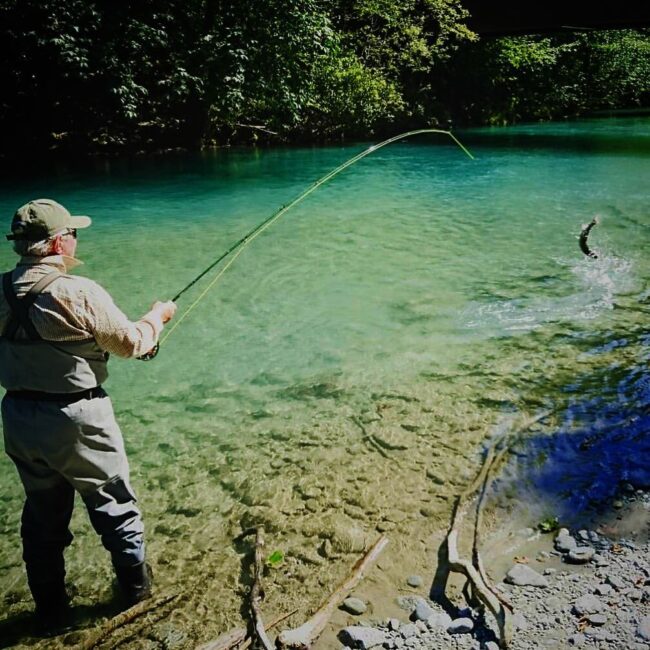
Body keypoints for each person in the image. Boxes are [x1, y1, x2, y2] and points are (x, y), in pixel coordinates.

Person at [0, 198, 176, 627]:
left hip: (19, 418)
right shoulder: (79, 291)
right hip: (78, 418)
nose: (76, 239)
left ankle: (51, 612)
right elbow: (132, 344)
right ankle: (135, 596)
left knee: (42, 515)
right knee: (114, 504)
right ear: (59, 241)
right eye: (73, 233)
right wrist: (158, 316)